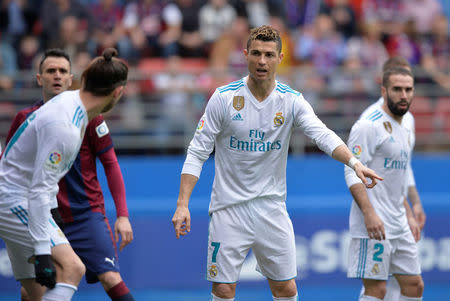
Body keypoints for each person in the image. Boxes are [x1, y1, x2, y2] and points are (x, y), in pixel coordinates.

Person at [172, 25, 382, 301]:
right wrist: (182, 204)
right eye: (256, 53)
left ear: (280, 58)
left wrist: (354, 162)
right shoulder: (223, 98)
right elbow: (197, 151)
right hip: (228, 210)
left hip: (271, 209)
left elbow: (322, 134)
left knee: (286, 289)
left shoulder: (291, 101)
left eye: (269, 55)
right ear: (245, 55)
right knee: (223, 290)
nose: (262, 61)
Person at [4, 48, 135, 301]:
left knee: (34, 293)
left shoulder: (73, 110)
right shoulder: (65, 126)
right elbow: (39, 186)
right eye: (51, 70)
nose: (57, 76)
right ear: (118, 92)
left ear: (78, 79)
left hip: (48, 206)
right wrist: (43, 250)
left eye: (62, 71)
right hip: (15, 201)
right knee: (73, 268)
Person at [345, 67, 424, 301]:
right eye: (397, 89)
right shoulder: (368, 125)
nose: (403, 95)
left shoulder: (406, 125)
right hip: (375, 224)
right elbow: (351, 173)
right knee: (377, 290)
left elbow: (395, 179)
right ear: (384, 90)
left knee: (414, 285)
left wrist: (409, 212)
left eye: (408, 89)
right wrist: (369, 214)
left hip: (399, 221)